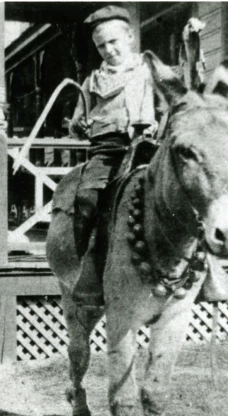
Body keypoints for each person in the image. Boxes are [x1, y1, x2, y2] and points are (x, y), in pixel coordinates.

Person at [68, 5, 157, 306]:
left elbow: (163, 110)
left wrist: (149, 125)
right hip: (105, 152)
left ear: (130, 37)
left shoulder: (146, 73)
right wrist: (77, 124)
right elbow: (76, 126)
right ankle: (86, 270)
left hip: (141, 147)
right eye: (101, 45)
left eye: (113, 41)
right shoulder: (91, 82)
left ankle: (195, 266)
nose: (108, 49)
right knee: (85, 202)